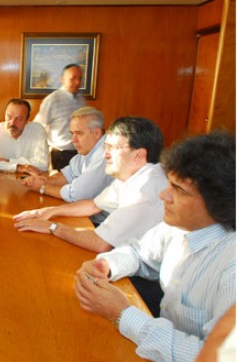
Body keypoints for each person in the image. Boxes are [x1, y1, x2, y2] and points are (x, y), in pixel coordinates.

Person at [74, 132, 236, 362]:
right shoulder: (179, 226)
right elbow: (139, 252)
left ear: (218, 201)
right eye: (169, 184)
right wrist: (107, 264)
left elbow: (217, 358)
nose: (164, 195)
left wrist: (122, 314)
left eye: (179, 190)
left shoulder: (231, 267)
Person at [13, 117, 167, 253]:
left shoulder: (146, 188)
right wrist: (51, 211)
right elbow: (93, 205)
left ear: (139, 154)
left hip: (148, 280)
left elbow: (100, 243)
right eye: (105, 147)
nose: (105, 154)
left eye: (112, 148)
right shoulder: (131, 176)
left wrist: (52, 227)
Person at [22, 106, 113, 205]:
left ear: (96, 133)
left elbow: (76, 195)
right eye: (72, 134)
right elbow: (68, 175)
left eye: (79, 133)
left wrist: (42, 188)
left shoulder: (105, 154)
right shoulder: (87, 151)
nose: (73, 140)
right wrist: (43, 181)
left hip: (104, 219)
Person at [33, 64, 86, 170]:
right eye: (73, 78)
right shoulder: (52, 99)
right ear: (63, 79)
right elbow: (38, 127)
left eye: (80, 79)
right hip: (60, 155)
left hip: (79, 153)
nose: (77, 82)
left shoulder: (81, 100)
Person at [0, 98, 49, 174]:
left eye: (19, 119)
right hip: (2, 180)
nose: (12, 123)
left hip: (30, 181)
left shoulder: (37, 130)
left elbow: (43, 164)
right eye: (9, 117)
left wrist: (8, 161)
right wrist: (16, 167)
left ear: (27, 120)